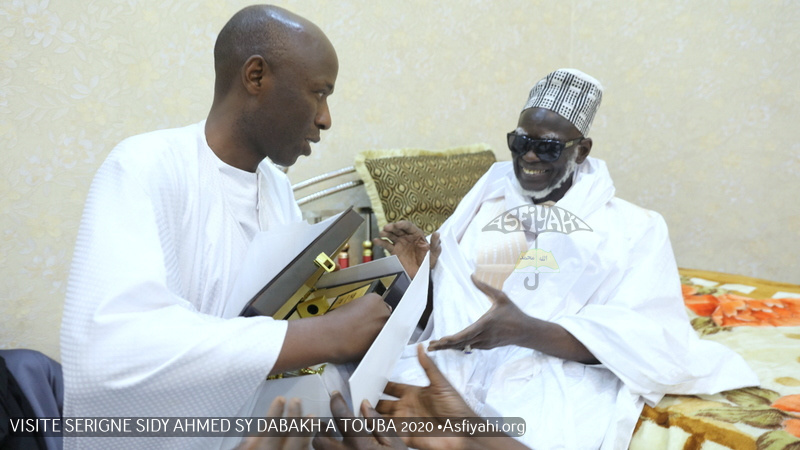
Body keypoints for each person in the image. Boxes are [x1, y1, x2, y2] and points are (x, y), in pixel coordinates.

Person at [60, 5, 390, 449]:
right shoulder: (143, 166)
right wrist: (318, 336)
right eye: (318, 93)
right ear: (256, 77)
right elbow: (112, 353)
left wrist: (389, 284)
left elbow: (281, 314)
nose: (325, 118)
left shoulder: (275, 187)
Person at [375, 68, 759, 449]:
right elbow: (445, 322)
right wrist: (424, 279)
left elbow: (649, 338)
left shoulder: (633, 228)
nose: (528, 155)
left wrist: (526, 331)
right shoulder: (484, 205)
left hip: (552, 377)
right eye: (519, 141)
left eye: (548, 147)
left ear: (582, 150)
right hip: (451, 369)